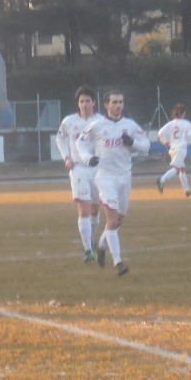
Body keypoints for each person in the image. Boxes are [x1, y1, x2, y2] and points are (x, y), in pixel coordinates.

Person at [77, 90, 150, 276]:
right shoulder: (97, 125)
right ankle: (118, 262)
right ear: (106, 105)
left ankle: (101, 246)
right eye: (114, 102)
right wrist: (88, 158)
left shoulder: (130, 125)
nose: (118, 106)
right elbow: (80, 142)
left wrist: (132, 142)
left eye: (121, 102)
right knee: (111, 219)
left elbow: (146, 146)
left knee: (118, 221)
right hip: (105, 177)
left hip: (124, 176)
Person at [55, 86, 103, 263]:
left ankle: (91, 239)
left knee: (95, 208)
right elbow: (59, 138)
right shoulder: (69, 121)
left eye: (87, 101)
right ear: (78, 103)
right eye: (81, 101)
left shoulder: (101, 121)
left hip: (98, 169)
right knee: (83, 209)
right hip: (78, 169)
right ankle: (88, 250)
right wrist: (67, 157)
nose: (84, 104)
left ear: (94, 102)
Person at [155, 103, 191, 197]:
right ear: (183, 113)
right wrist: (188, 133)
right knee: (176, 168)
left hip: (173, 148)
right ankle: (161, 180)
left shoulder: (171, 124)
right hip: (181, 148)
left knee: (182, 169)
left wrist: (166, 142)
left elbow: (160, 133)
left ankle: (187, 191)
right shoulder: (186, 123)